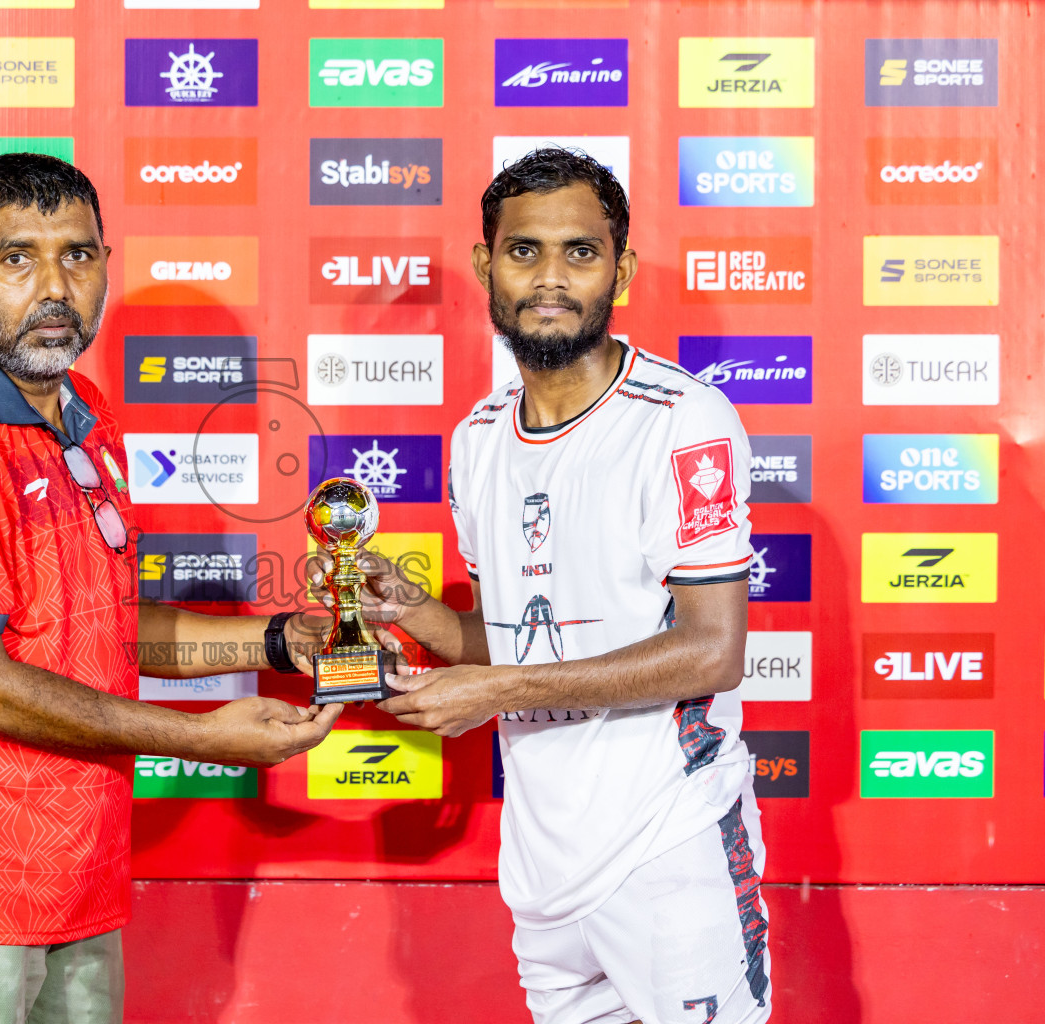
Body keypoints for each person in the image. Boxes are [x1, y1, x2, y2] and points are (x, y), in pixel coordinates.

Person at [0, 152, 341, 1024]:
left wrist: (272, 642)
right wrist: (203, 739)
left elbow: (102, 627)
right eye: (17, 257)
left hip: (82, 874)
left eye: (77, 255)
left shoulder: (89, 413)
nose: (53, 286)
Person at [337, 147, 770, 1023]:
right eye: (524, 251)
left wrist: (497, 690)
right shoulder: (480, 436)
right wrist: (412, 610)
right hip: (542, 863)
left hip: (667, 848)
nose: (551, 278)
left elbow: (713, 651)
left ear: (623, 268)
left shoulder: (683, 423)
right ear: (484, 265)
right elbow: (517, 638)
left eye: (581, 252)